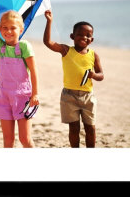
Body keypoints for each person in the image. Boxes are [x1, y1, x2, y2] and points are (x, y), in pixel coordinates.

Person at [43, 10, 104, 148]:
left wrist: (94, 75)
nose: (84, 37)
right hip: (69, 96)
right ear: (72, 36)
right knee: (74, 128)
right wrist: (49, 21)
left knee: (91, 128)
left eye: (88, 35)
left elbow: (101, 75)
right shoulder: (66, 50)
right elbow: (47, 42)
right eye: (80, 34)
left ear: (92, 39)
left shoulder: (94, 55)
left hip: (88, 96)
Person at [0, 0, 39, 148]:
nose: (8, 31)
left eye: (13, 28)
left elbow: (34, 72)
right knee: (8, 141)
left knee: (25, 139)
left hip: (22, 97)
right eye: (4, 28)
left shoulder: (24, 46)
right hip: (3, 97)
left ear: (21, 29)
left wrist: (35, 94)